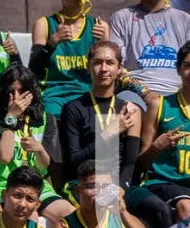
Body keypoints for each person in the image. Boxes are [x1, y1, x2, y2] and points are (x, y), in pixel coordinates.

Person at [54, 41, 144, 189]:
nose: (103, 69)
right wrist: (109, 133)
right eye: (97, 63)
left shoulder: (131, 110)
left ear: (119, 69)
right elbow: (74, 160)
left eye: (110, 63)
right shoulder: (73, 108)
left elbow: (130, 162)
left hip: (119, 184)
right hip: (85, 184)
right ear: (88, 67)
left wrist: (121, 190)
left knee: (159, 209)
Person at [108, 0, 190, 97]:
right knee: (117, 110)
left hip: (178, 92)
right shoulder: (121, 17)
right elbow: (116, 65)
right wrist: (145, 93)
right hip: (134, 92)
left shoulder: (185, 20)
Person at [0, 65, 55, 219]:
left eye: (22, 91)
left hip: (38, 185)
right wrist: (11, 117)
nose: (16, 96)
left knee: (67, 213)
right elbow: (4, 157)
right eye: (11, 91)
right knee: (31, 216)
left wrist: (39, 150)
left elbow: (44, 166)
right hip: (5, 185)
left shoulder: (45, 118)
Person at [29, 0, 100, 120]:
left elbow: (110, 70)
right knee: (53, 131)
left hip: (89, 95)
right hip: (54, 96)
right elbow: (33, 69)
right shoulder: (44, 24)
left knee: (110, 128)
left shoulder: (99, 26)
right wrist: (52, 42)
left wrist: (103, 42)